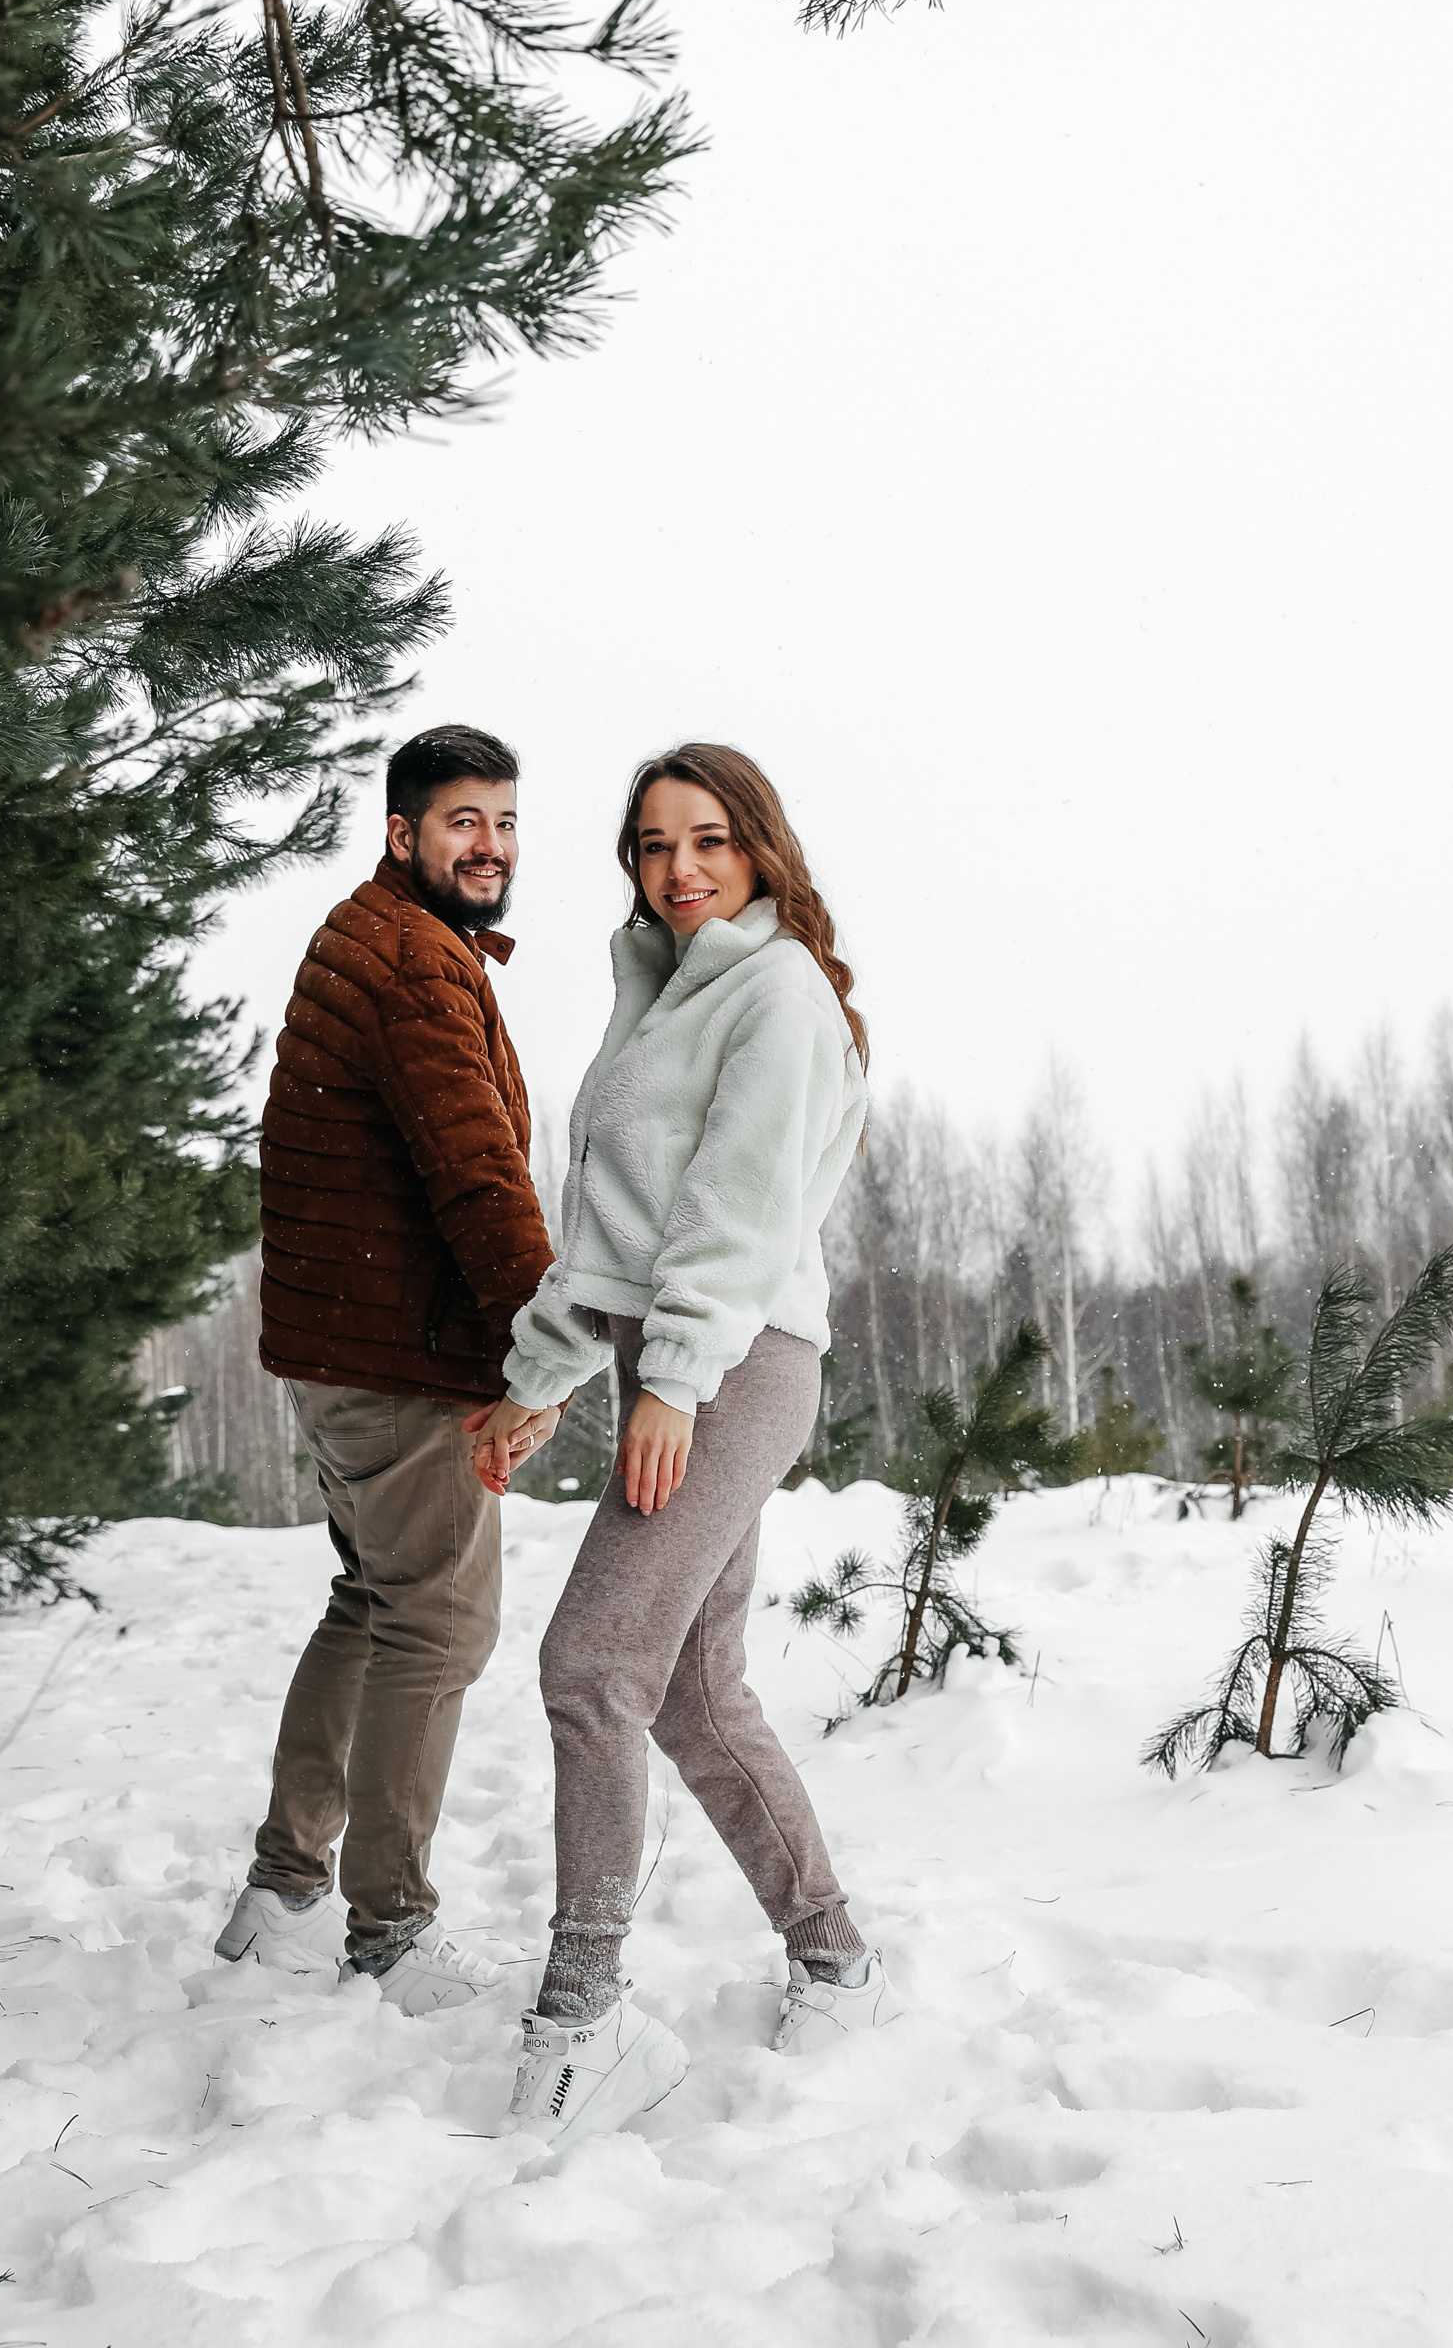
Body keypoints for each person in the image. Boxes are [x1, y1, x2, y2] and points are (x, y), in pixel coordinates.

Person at [467, 743, 893, 2147]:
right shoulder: (658, 1001)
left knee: (592, 1667)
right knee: (696, 1696)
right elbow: (611, 1235)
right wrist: (542, 1380)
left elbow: (738, 1213)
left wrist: (675, 1383)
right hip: (681, 1366)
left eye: (708, 839)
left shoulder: (779, 993)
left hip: (737, 1363)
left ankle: (585, 2014)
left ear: (759, 847)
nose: (681, 868)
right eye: (654, 845)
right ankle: (836, 1962)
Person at [214, 724, 560, 2012]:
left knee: (373, 1603)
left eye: (506, 822)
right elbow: (477, 1175)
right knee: (438, 1623)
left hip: (347, 1353)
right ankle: (389, 1931)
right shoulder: (414, 961)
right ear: (403, 832)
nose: (491, 846)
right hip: (404, 1362)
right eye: (464, 821)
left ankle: (283, 1893)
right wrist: (542, 1349)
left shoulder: (377, 935)